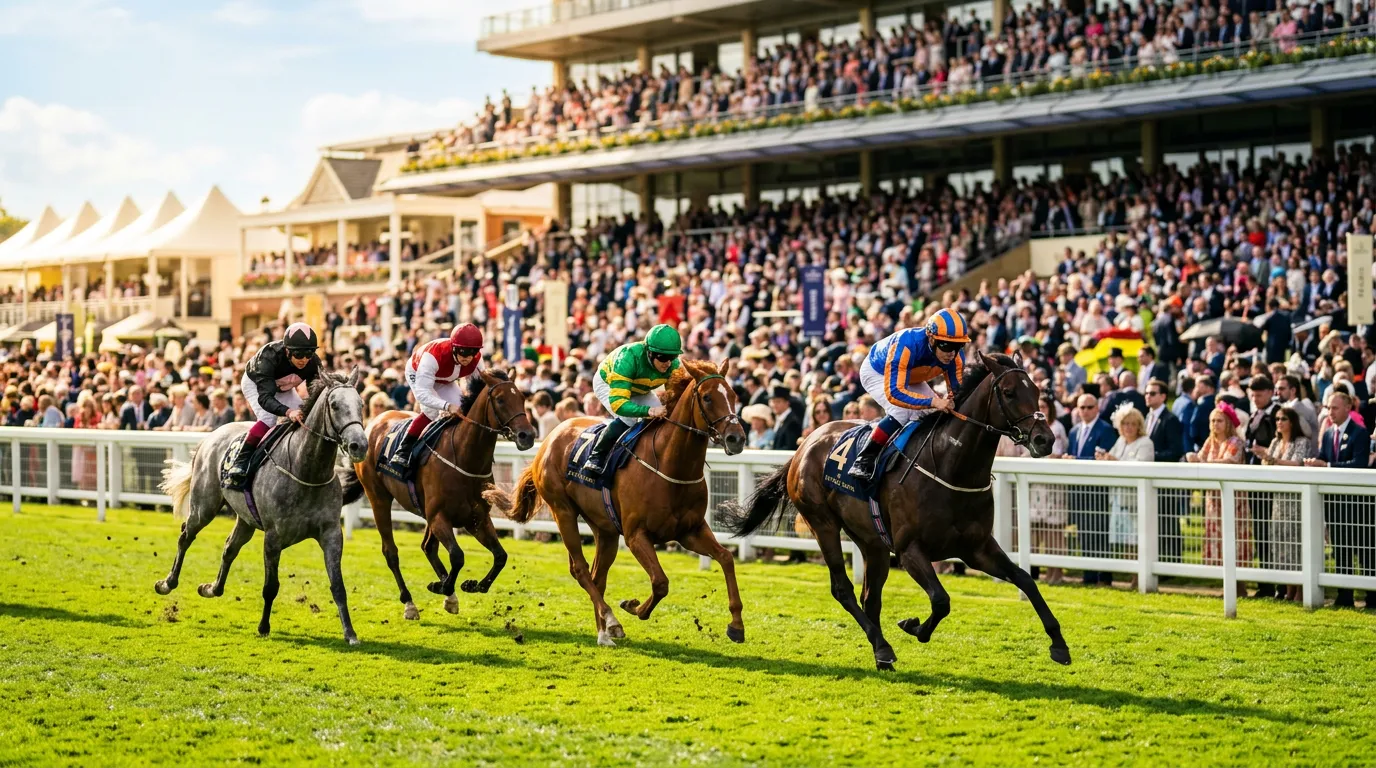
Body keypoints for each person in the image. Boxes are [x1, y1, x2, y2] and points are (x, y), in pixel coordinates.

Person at [849, 308, 968, 483]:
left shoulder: (955, 357)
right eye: (946, 345)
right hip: (877, 371)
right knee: (901, 411)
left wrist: (946, 402)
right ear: (931, 338)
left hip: (910, 375)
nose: (952, 352)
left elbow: (956, 394)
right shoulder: (906, 345)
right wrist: (933, 400)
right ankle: (864, 459)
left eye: (959, 346)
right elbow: (895, 394)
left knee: (932, 414)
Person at [225, 322, 322, 490]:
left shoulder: (313, 362)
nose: (304, 359)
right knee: (269, 418)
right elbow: (265, 398)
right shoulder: (268, 356)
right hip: (257, 385)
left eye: (309, 353)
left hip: (284, 387)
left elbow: (315, 393)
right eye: (299, 354)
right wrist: (288, 411)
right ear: (287, 350)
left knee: (305, 418)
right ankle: (240, 461)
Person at [583, 323, 682, 478]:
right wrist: (648, 411)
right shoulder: (627, 358)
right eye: (663, 358)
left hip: (640, 388)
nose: (668, 363)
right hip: (608, 383)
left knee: (663, 418)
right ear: (650, 353)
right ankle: (596, 457)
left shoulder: (673, 365)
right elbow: (619, 404)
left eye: (672, 357)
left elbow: (673, 397)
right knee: (629, 419)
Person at [1304, 391, 1374, 608]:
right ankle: (1344, 596)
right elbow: (1325, 458)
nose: (1330, 412)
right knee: (1340, 548)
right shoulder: (1327, 434)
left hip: (1357, 504)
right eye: (1328, 407)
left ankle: (1371, 597)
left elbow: (1359, 464)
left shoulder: (1359, 433)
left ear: (1347, 409)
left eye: (1334, 408)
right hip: (1334, 502)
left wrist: (1327, 466)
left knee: (1364, 550)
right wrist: (1315, 462)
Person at [392, 323, 485, 472]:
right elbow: (423, 395)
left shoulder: (476, 359)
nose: (467, 357)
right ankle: (404, 449)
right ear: (454, 347)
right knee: (432, 411)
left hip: (444, 379)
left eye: (472, 352)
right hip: (418, 372)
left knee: (463, 410)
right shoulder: (433, 356)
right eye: (463, 351)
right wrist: (447, 405)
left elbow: (479, 388)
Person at [1186, 402, 1249, 590]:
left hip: (1233, 500)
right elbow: (1200, 457)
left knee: (1235, 539)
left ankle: (1241, 586)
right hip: (1213, 499)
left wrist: (1203, 462)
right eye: (1212, 421)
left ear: (1228, 422)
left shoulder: (1235, 442)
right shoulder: (1210, 441)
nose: (1215, 424)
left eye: (1219, 420)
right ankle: (1226, 586)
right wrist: (1193, 458)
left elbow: (1229, 461)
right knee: (1218, 539)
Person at [1254, 407, 1312, 602]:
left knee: (1297, 543)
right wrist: (1267, 458)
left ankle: (1301, 590)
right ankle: (1288, 589)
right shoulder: (1275, 442)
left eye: (1283, 418)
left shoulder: (1301, 441)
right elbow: (1265, 465)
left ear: (1292, 422)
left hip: (1296, 498)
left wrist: (1272, 459)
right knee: (1281, 543)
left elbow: (1297, 463)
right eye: (1277, 418)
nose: (1279, 422)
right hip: (1279, 499)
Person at [1062, 392, 1118, 586]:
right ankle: (1089, 575)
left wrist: (1075, 460)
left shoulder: (1106, 429)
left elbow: (1103, 459)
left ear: (1097, 408)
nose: (1084, 411)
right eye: (1081, 407)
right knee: (1084, 531)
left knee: (1099, 532)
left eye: (1089, 407)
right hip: (1078, 489)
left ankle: (1104, 576)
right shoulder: (1074, 430)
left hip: (1098, 489)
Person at [1100, 403, 1153, 586]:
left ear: (1139, 425)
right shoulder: (1121, 441)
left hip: (1136, 500)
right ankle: (1132, 575)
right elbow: (1113, 459)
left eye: (1132, 424)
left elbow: (1140, 466)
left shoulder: (1145, 443)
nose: (1128, 427)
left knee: (1138, 540)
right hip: (1119, 499)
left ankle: (1139, 577)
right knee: (1126, 540)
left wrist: (1115, 460)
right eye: (1125, 424)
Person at [1243, 375, 1280, 597]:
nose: (1255, 398)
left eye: (1259, 394)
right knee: (1260, 531)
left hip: (1272, 478)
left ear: (1269, 392)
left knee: (1273, 532)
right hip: (1255, 476)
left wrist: (1264, 451)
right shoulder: (1255, 414)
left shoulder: (1277, 413)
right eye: (1253, 395)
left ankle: (1277, 584)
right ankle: (1265, 583)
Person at [768, 385, 804, 450]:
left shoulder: (792, 422)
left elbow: (790, 447)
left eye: (778, 401)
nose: (774, 405)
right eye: (773, 401)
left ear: (787, 402)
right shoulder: (779, 419)